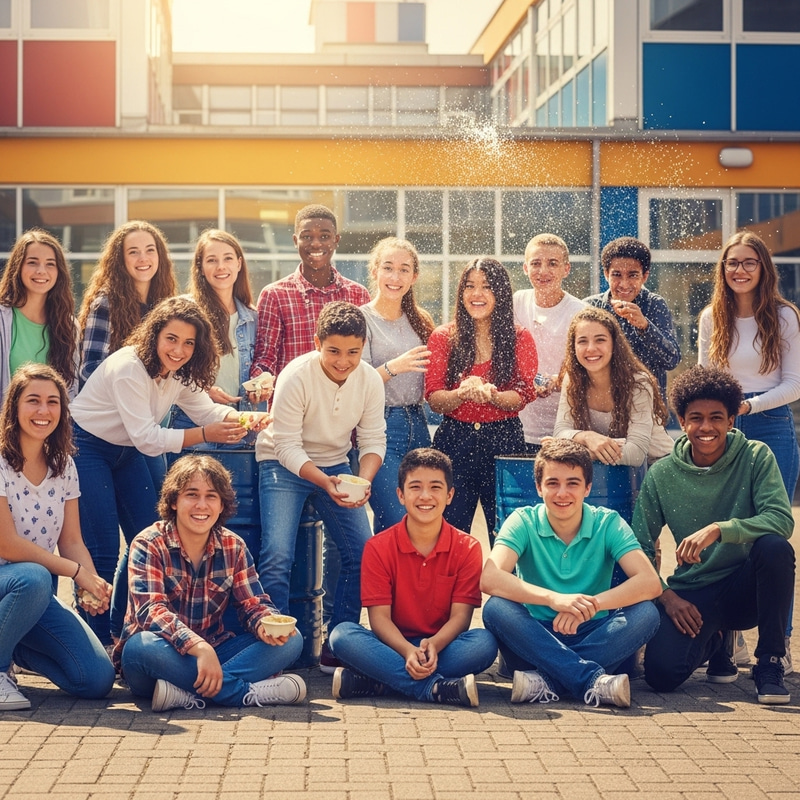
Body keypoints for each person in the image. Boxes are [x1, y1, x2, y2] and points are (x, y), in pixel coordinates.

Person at [70, 297, 268, 646]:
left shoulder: (180, 373)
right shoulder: (129, 367)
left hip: (127, 449)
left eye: (189, 342)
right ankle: (93, 642)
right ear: (155, 336)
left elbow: (207, 413)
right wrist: (205, 435)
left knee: (143, 540)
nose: (179, 350)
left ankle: (119, 633)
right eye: (171, 339)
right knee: (100, 548)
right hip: (88, 445)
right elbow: (148, 438)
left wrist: (247, 419)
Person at [632, 365, 795, 704]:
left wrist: (720, 529)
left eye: (716, 418)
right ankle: (718, 639)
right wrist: (666, 596)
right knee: (660, 676)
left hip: (746, 588)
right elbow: (639, 548)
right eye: (696, 418)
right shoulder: (662, 473)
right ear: (682, 419)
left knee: (775, 548)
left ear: (731, 420)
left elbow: (781, 519)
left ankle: (769, 662)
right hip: (694, 592)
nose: (706, 427)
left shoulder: (755, 456)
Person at [115, 454, 305, 711]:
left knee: (292, 640)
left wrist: (264, 624)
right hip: (163, 655)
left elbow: (253, 603)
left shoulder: (233, 545)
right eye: (191, 495)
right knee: (140, 647)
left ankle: (187, 696)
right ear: (173, 501)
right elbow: (150, 611)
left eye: (211, 496)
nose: (201, 505)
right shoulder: (149, 543)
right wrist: (198, 647)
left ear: (221, 504)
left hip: (214, 652)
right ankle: (244, 692)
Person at [480, 439, 662, 708]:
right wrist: (554, 600)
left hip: (595, 632)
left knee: (646, 613)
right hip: (536, 636)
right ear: (538, 488)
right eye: (553, 483)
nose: (562, 493)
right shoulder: (522, 519)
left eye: (573, 483)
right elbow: (490, 578)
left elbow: (649, 582)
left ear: (588, 487)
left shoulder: (607, 522)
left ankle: (547, 682)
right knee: (496, 609)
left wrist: (591, 605)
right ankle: (588, 679)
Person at [256, 301, 385, 672]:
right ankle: (277, 647)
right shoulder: (296, 375)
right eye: (333, 351)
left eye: (353, 352)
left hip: (337, 464)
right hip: (282, 464)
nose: (343, 361)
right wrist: (323, 481)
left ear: (363, 347)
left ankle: (337, 642)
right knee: (278, 554)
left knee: (362, 552)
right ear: (317, 343)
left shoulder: (370, 380)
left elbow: (374, 439)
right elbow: (285, 445)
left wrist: (363, 481)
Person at [328, 448, 498, 707]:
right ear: (400, 495)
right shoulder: (378, 547)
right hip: (392, 645)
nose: (425, 496)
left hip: (442, 647)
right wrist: (407, 651)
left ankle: (380, 682)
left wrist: (434, 645)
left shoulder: (468, 547)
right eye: (415, 487)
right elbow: (379, 619)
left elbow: (461, 617)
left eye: (435, 487)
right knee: (341, 635)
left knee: (484, 643)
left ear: (450, 495)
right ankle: (435, 688)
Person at [0, 364, 114, 710]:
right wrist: (74, 572)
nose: (43, 411)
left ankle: (13, 640)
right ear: (14, 408)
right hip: (20, 583)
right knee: (34, 576)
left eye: (53, 402)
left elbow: (72, 541)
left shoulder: (64, 464)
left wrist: (90, 582)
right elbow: (7, 544)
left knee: (96, 679)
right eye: (33, 401)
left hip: (30, 597)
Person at [425, 258, 537, 539]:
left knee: (506, 533)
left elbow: (523, 394)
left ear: (500, 293)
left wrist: (494, 395)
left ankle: (504, 584)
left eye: (487, 287)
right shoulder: (442, 337)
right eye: (470, 286)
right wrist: (461, 393)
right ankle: (456, 585)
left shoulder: (519, 338)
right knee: (449, 533)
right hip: (454, 439)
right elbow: (435, 398)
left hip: (504, 440)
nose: (477, 294)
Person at [361, 237, 434, 532]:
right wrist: (394, 367)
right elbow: (356, 383)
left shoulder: (421, 320)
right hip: (381, 426)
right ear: (375, 271)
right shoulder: (362, 319)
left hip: (419, 424)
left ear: (414, 277)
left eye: (404, 270)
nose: (395, 277)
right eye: (388, 268)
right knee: (393, 520)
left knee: (419, 522)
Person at [251, 204, 370, 380]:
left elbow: (363, 356)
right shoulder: (275, 295)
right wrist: (260, 379)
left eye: (324, 236)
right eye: (306, 236)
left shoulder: (357, 294)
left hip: (344, 401)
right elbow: (266, 357)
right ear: (294, 240)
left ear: (336, 240)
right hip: (294, 402)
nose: (315, 243)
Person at [170, 229, 268, 441]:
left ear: (239, 264)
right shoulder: (184, 312)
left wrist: (260, 387)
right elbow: (169, 369)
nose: (221, 266)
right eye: (212, 260)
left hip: (242, 432)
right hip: (193, 428)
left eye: (228, 258)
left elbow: (260, 366)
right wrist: (203, 390)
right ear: (201, 268)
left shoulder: (253, 318)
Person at [554, 307, 673, 468]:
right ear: (573, 347)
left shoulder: (638, 383)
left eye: (600, 340)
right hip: (617, 472)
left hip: (660, 467)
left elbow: (636, 454)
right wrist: (588, 438)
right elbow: (560, 432)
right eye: (582, 341)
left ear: (614, 344)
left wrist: (587, 453)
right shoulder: (573, 378)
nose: (590, 348)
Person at [78, 220, 177, 387]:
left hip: (154, 408)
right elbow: (89, 369)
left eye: (150, 250)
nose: (143, 258)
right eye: (133, 252)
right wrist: (135, 379)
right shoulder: (105, 304)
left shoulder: (165, 304)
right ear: (120, 259)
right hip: (113, 408)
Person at [513, 233, 586, 453]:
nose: (543, 271)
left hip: (566, 429)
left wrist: (559, 380)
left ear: (566, 269)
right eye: (536, 263)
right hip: (519, 426)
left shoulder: (580, 313)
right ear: (526, 268)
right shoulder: (516, 302)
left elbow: (592, 366)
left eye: (552, 263)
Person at [584, 237, 680, 402]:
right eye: (617, 275)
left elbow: (671, 360)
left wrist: (645, 326)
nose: (624, 283)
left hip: (648, 409)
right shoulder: (591, 307)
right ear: (606, 274)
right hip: (601, 406)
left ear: (645, 276)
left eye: (633, 275)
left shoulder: (654, 304)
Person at [0, 230, 79, 400]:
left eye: (50, 264)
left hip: (51, 423)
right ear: (18, 267)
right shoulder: (2, 320)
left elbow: (71, 391)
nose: (41, 270)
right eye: (32, 262)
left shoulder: (69, 327)